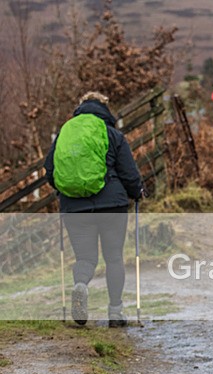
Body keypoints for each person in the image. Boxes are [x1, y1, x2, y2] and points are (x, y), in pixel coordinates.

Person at [44, 91, 144, 327]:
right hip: (112, 206)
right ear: (105, 109)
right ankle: (115, 313)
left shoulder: (65, 133)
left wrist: (65, 192)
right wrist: (137, 191)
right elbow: (129, 173)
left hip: (74, 208)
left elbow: (50, 170)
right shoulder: (112, 134)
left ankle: (80, 285)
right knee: (114, 258)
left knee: (85, 258)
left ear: (80, 108)